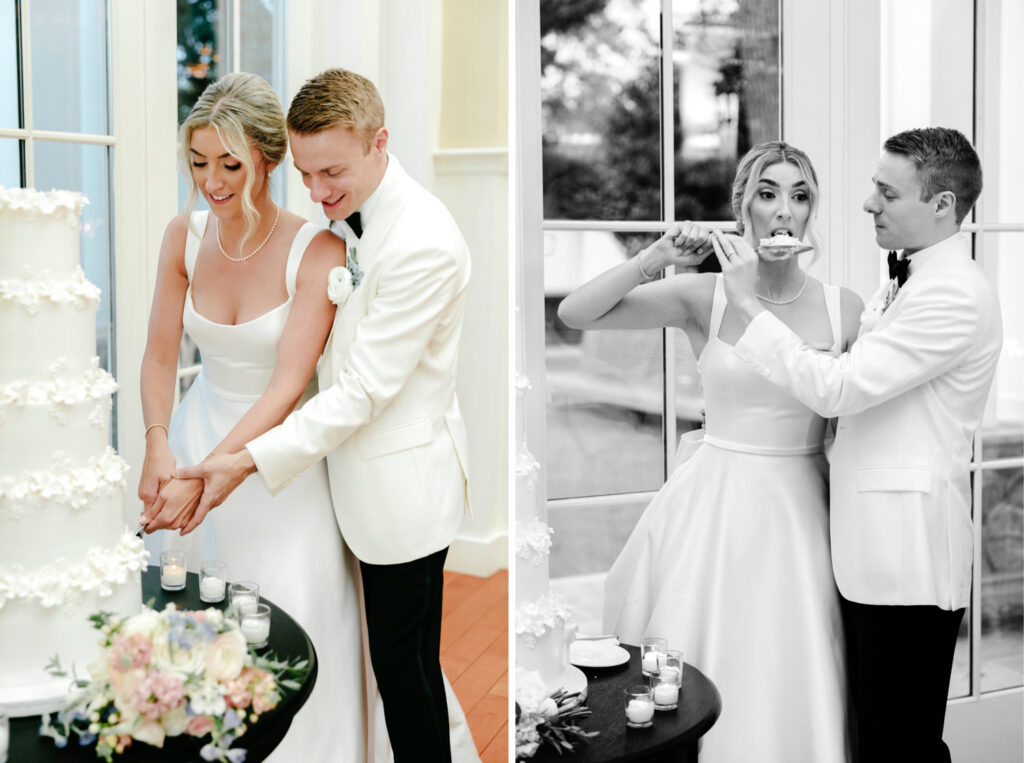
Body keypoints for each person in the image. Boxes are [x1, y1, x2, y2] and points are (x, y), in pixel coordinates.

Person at [147, 68, 475, 763]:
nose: (321, 192)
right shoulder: (345, 223)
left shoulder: (421, 241)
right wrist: (167, 445)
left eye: (333, 172)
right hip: (323, 466)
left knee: (404, 682)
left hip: (398, 491)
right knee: (391, 671)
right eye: (308, 173)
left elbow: (359, 389)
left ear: (380, 143)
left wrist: (233, 463)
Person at [560, 141, 861, 762]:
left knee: (794, 653)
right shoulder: (704, 296)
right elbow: (576, 312)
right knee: (701, 645)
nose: (784, 212)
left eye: (800, 196)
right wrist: (655, 257)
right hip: (715, 501)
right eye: (768, 195)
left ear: (812, 214)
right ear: (743, 211)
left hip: (803, 505)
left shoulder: (844, 308)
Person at [712, 127, 1002, 763]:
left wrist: (746, 308)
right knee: (878, 740)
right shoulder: (905, 280)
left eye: (886, 192)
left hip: (908, 562)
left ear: (942, 206)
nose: (868, 203)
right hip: (870, 551)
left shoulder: (953, 293)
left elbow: (839, 388)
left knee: (902, 747)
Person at [137, 72, 368, 761]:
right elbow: (156, 358)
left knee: (286, 618)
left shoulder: (317, 250)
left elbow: (285, 388)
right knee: (187, 628)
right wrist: (158, 447)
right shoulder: (183, 236)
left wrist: (213, 473)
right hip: (190, 439)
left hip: (275, 466)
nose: (212, 179)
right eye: (199, 161)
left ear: (269, 158)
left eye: (230, 164)